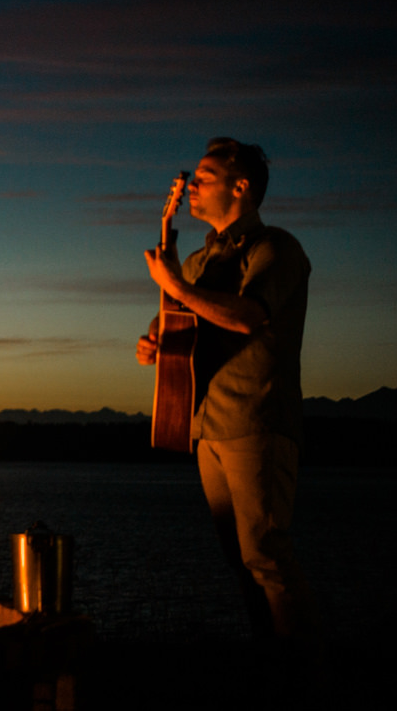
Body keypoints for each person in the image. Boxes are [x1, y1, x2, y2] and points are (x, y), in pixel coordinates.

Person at [137, 138, 319, 646]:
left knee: (266, 555)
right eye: (192, 178)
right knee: (244, 566)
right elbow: (175, 318)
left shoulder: (275, 249)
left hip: (257, 420)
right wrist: (154, 341)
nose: (192, 186)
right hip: (206, 427)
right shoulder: (199, 260)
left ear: (241, 188)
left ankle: (308, 679)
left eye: (205, 176)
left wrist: (178, 288)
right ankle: (273, 671)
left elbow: (248, 317)